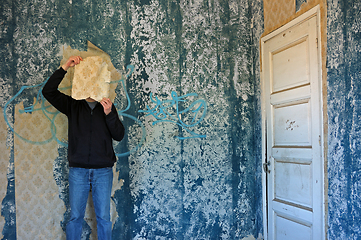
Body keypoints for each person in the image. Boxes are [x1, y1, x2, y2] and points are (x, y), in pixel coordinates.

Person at [42, 56, 125, 240]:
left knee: (104, 218)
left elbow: (119, 135)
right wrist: (65, 67)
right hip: (78, 170)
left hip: (103, 171)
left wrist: (109, 114)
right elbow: (48, 91)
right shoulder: (73, 105)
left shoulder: (108, 106)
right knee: (75, 218)